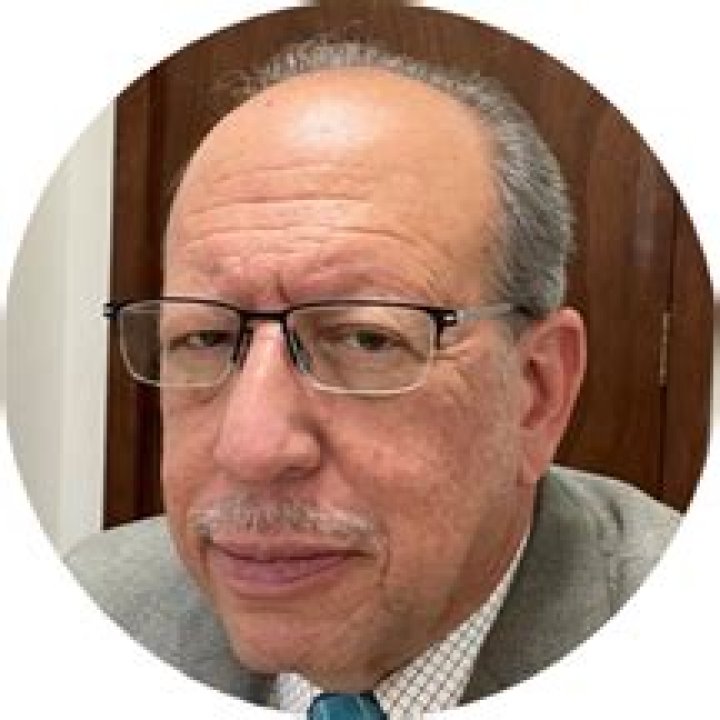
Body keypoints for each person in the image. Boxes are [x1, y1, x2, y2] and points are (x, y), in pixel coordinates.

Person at [68, 40, 678, 717]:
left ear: (537, 394)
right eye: (204, 338)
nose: (250, 447)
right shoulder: (89, 613)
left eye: (366, 340)